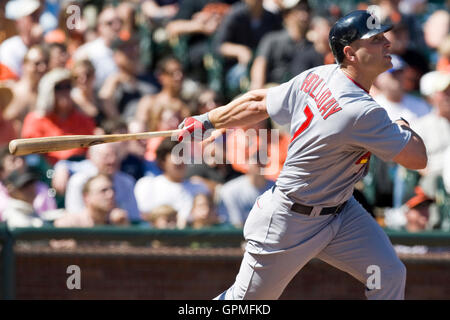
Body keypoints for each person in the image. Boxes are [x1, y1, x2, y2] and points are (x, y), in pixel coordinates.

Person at [178, 10, 427, 299]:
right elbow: (417, 158)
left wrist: (208, 119)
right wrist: (403, 125)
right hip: (290, 220)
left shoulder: (319, 76)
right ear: (351, 53)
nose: (387, 43)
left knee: (388, 274)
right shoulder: (360, 111)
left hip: (342, 213)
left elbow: (259, 101)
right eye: (375, 39)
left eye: (384, 36)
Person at [21, 68, 96, 165]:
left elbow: (92, 148)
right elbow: (31, 156)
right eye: (59, 88)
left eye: (68, 86)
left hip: (81, 169)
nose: (65, 92)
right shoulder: (36, 120)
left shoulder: (82, 119)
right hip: (47, 173)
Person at [134, 138, 209, 229]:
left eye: (183, 155)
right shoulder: (147, 185)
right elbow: (143, 217)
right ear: (163, 161)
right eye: (177, 155)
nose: (181, 160)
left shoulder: (199, 187)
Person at [64, 143, 141, 223]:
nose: (112, 160)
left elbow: (134, 218)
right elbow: (73, 218)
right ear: (92, 158)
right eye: (106, 156)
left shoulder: (127, 182)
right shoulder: (78, 181)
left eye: (115, 155)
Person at [55, 174, 129, 227]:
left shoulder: (117, 223)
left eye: (113, 190)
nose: (111, 194)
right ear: (86, 197)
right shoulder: (71, 223)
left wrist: (123, 226)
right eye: (103, 190)